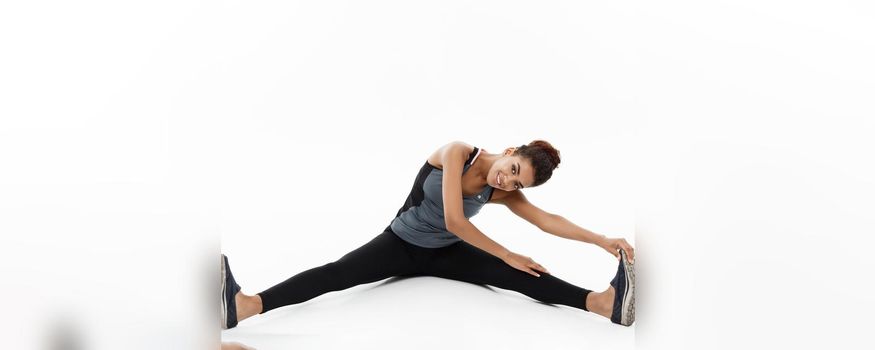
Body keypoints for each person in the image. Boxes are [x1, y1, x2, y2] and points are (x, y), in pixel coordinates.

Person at [220, 140, 636, 333]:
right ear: (510, 151)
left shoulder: (500, 193)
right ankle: (246, 306)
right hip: (400, 245)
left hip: (449, 254)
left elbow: (547, 220)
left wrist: (601, 239)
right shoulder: (458, 153)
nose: (507, 183)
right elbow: (455, 219)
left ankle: (603, 304)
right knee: (336, 274)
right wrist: (506, 253)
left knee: (523, 276)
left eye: (517, 186)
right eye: (512, 171)